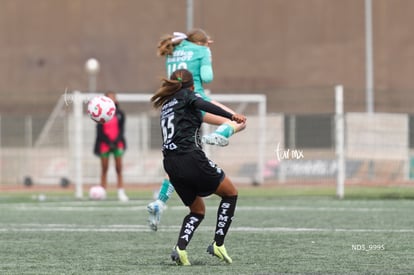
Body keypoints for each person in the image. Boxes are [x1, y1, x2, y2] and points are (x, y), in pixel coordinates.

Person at [147, 28, 247, 230]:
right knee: (239, 121)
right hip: (196, 102)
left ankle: (160, 202)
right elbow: (207, 77)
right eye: (207, 44)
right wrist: (206, 55)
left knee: (179, 158)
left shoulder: (172, 50)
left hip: (176, 108)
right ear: (201, 43)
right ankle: (219, 135)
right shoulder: (200, 51)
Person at [151, 68, 246, 265]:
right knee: (230, 193)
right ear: (192, 85)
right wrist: (231, 115)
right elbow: (203, 103)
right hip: (190, 158)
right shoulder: (188, 96)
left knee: (197, 211)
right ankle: (218, 244)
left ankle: (181, 249)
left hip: (171, 164)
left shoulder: (167, 104)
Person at [93, 91, 129, 202]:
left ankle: (120, 191)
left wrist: (116, 141)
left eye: (113, 97)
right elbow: (99, 131)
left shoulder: (120, 114)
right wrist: (109, 142)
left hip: (117, 144)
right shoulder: (100, 113)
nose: (112, 99)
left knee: (119, 169)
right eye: (109, 98)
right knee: (104, 169)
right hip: (105, 144)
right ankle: (102, 191)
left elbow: (122, 129)